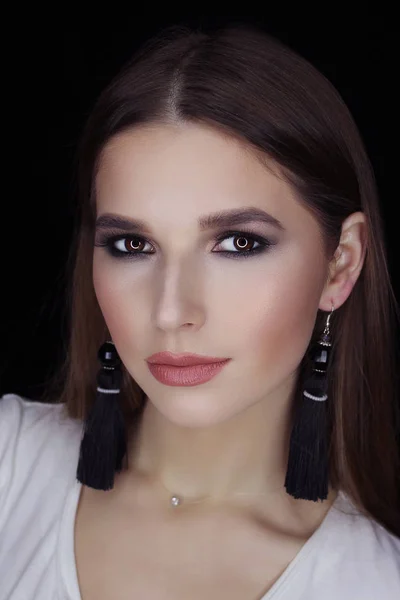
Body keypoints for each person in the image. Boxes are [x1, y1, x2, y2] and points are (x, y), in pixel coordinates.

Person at [1, 22, 399, 600]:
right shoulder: (10, 467)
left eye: (238, 244)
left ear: (340, 264)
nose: (171, 311)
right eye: (133, 246)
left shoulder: (374, 584)